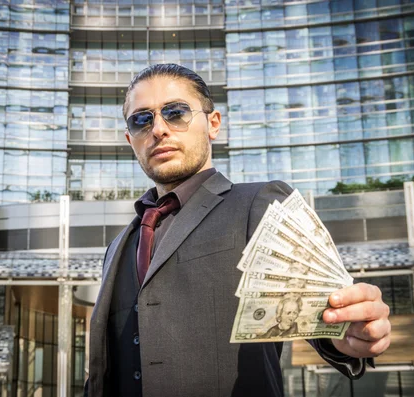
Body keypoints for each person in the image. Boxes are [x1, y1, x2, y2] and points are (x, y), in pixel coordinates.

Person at [86, 64, 391, 397]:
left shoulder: (262, 203)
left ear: (213, 123)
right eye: (142, 119)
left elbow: (319, 312)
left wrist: (344, 332)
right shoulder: (118, 245)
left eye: (175, 112)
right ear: (131, 139)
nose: (158, 129)